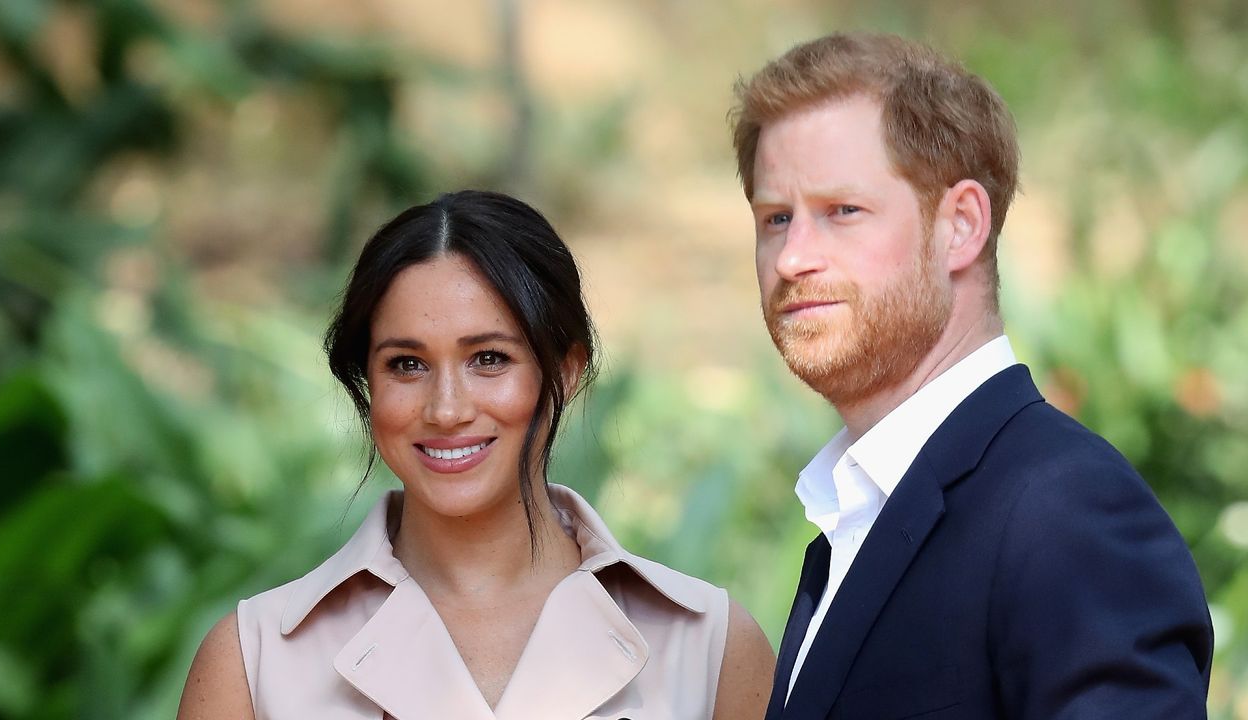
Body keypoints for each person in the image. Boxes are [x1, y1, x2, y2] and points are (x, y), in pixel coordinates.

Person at [729, 33, 1213, 719]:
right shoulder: (857, 519)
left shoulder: (1065, 511)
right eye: (776, 219)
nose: (791, 258)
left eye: (842, 211)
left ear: (960, 226)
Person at [177, 190, 775, 719]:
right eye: (406, 364)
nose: (446, 409)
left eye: (488, 358)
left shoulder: (712, 649)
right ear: (368, 384)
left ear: (564, 373)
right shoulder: (252, 663)